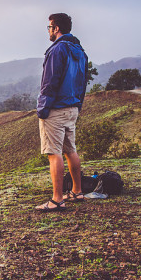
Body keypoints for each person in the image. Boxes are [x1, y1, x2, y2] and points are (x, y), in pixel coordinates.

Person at [35, 13, 88, 212]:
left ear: (56, 28)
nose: (48, 31)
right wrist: (78, 106)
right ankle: (77, 191)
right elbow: (82, 83)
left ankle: (57, 199)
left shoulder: (57, 50)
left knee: (54, 153)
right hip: (72, 107)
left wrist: (43, 108)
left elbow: (49, 82)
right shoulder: (80, 51)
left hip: (56, 109)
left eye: (49, 27)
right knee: (70, 150)